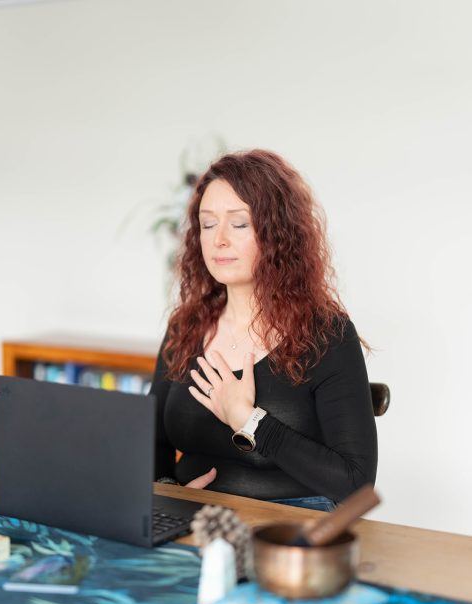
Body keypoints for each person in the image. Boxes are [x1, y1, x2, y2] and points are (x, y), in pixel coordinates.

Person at [150, 149, 377, 510]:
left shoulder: (327, 335)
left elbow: (356, 483)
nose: (219, 239)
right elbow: (154, 444)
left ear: (277, 233)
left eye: (238, 224)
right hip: (192, 523)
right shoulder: (186, 327)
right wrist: (166, 493)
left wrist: (246, 418)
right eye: (208, 224)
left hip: (290, 536)